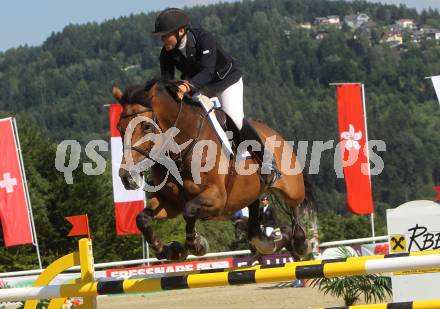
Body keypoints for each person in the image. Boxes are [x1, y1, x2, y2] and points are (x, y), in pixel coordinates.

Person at [152, 7, 280, 185]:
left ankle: (268, 162)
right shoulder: (166, 54)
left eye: (165, 35)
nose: (162, 39)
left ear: (180, 31)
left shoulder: (203, 39)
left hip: (226, 82)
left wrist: (187, 86)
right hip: (198, 87)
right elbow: (167, 81)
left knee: (234, 119)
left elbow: (208, 71)